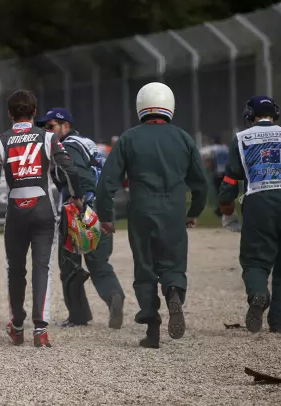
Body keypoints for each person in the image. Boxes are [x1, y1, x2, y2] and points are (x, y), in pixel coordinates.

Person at [96, 82, 209, 349]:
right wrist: (193, 212)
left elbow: (107, 182)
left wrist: (106, 216)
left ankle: (152, 329)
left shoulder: (128, 138)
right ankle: (173, 292)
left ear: (140, 106)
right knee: (173, 263)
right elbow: (201, 184)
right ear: (169, 105)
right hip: (173, 211)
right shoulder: (183, 138)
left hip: (141, 211)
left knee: (145, 268)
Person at [0, 90, 83, 348]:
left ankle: (17, 326)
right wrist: (77, 197)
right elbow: (69, 169)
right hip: (43, 208)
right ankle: (40, 329)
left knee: (16, 270)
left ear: (10, 114)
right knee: (42, 267)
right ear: (34, 112)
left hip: (16, 210)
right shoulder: (48, 137)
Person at [218, 96, 281, 334]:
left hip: (257, 201)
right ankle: (279, 322)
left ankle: (258, 294)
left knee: (255, 261)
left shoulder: (241, 138)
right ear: (275, 114)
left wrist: (228, 213)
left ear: (250, 114)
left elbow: (229, 182)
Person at [35, 107, 125, 329]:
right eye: (44, 127)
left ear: (65, 126)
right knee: (99, 262)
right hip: (101, 209)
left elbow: (80, 176)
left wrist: (80, 200)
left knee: (69, 265)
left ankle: (78, 315)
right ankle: (114, 295)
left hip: (78, 211)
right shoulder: (88, 144)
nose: (47, 131)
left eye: (51, 126)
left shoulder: (67, 147)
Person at [206, 135, 229, 216]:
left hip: (218, 172)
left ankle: (220, 210)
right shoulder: (225, 148)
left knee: (218, 191)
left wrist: (209, 168)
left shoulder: (213, 148)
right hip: (226, 172)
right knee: (225, 191)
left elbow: (211, 160)